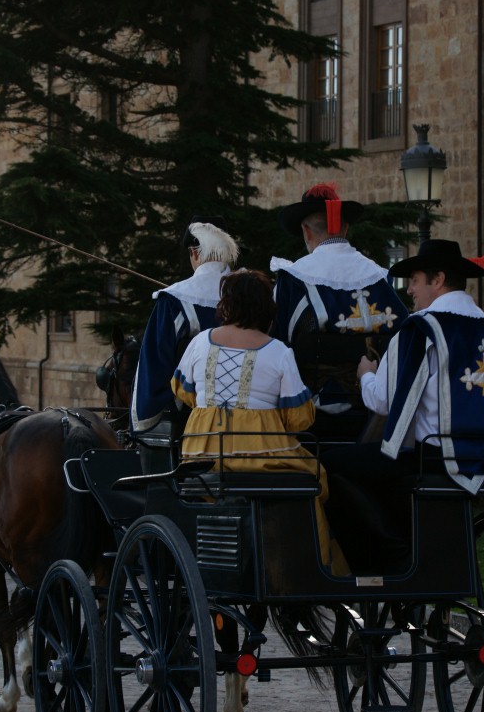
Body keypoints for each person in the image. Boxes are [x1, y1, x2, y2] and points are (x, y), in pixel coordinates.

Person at [320, 239, 484, 573]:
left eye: (415, 279)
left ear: (438, 279)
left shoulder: (420, 328)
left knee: (331, 464)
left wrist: (366, 376)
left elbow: (383, 401)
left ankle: (390, 553)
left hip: (431, 458)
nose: (409, 289)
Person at [171, 269, 348, 574]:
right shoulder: (278, 352)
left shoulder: (200, 343)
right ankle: (309, 565)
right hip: (261, 457)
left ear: (225, 305)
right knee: (315, 476)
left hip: (203, 454)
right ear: (267, 308)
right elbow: (299, 418)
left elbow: (183, 391)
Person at [271, 182, 409, 440]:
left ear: (305, 231)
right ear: (345, 228)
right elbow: (404, 338)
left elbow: (278, 344)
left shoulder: (293, 279)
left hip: (308, 416)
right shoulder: (381, 279)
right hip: (374, 417)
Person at [131, 216, 240, 471]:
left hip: (188, 423)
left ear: (194, 252)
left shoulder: (173, 301)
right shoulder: (254, 295)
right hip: (255, 421)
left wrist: (143, 422)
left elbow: (154, 368)